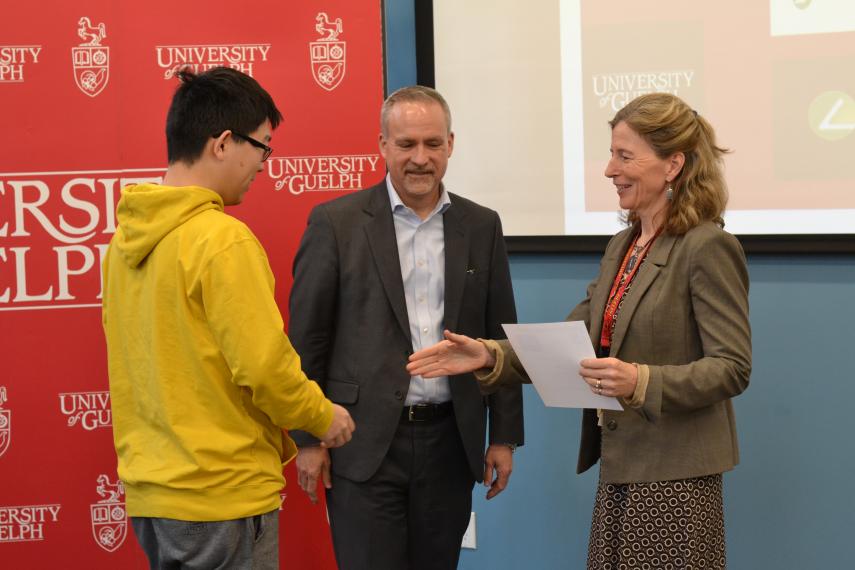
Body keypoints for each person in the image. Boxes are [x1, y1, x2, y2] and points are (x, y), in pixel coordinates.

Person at [407, 92, 751, 569]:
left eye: (624, 156)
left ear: (673, 165)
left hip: (676, 478)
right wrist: (490, 356)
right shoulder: (623, 245)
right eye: (612, 154)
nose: (610, 170)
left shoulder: (708, 247)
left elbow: (732, 368)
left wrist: (641, 381)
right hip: (621, 467)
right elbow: (572, 340)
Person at [102, 67, 355, 570]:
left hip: (154, 495)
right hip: (219, 494)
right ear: (222, 143)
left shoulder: (122, 243)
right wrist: (323, 416)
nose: (264, 162)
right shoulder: (221, 239)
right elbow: (265, 367)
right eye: (262, 146)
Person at [288, 85, 524, 570]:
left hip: (450, 444)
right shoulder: (335, 223)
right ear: (382, 145)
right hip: (361, 443)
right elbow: (308, 339)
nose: (421, 158)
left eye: (433, 144)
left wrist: (503, 435)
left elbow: (501, 334)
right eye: (407, 144)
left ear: (451, 144)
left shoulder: (482, 225)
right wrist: (308, 438)